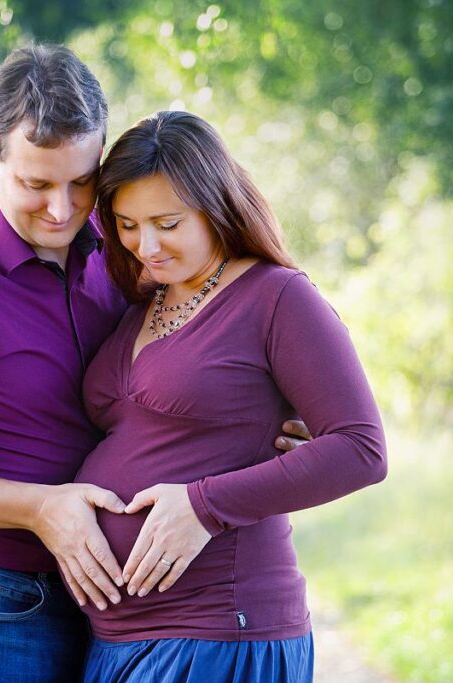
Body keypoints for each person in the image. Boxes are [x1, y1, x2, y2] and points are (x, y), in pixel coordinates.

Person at [0, 46, 310, 683]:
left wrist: (271, 424)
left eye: (81, 182)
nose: (62, 209)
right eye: (36, 184)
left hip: (101, 609)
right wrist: (37, 508)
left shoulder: (120, 261)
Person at [72, 110, 388, 682]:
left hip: (219, 633)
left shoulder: (277, 298)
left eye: (167, 223)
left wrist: (204, 506)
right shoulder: (144, 300)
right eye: (125, 224)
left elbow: (361, 449)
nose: (147, 246)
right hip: (117, 643)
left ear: (215, 203)